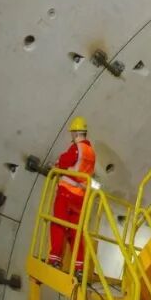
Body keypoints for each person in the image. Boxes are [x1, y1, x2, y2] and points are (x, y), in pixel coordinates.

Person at [48, 117, 96, 274]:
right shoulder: (91, 152)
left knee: (58, 224)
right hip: (80, 198)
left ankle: (55, 259)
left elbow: (63, 162)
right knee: (76, 232)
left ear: (75, 133)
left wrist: (55, 166)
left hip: (66, 193)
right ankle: (80, 267)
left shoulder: (77, 148)